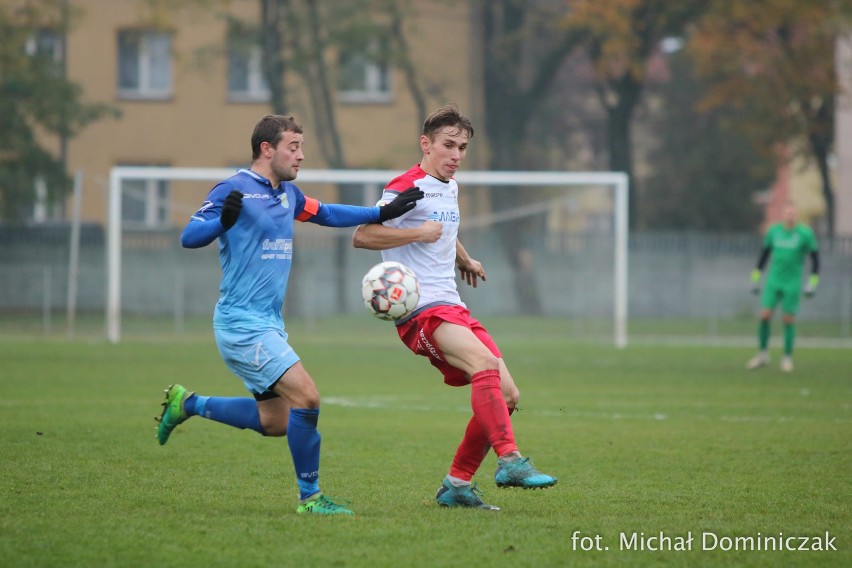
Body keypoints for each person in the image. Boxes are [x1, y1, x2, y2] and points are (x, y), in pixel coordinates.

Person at [155, 114, 423, 515]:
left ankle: (188, 404)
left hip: (268, 326)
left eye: (301, 147)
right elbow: (188, 237)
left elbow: (328, 214)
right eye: (293, 147)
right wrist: (221, 223)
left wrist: (379, 214)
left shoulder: (288, 196)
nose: (301, 155)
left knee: (276, 420)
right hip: (241, 325)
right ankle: (310, 499)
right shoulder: (234, 189)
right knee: (308, 396)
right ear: (267, 149)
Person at [351, 103, 557, 511]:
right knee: (484, 364)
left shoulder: (450, 186)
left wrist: (463, 257)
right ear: (425, 144)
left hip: (451, 304)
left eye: (463, 147)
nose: (456, 156)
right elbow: (363, 235)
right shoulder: (405, 187)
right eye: (449, 145)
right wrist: (418, 232)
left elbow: (442, 227)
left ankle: (457, 484)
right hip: (420, 311)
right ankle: (510, 460)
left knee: (509, 394)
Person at [747, 201, 820, 373]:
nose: (790, 216)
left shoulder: (805, 234)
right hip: (773, 281)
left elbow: (816, 259)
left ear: (797, 215)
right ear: (782, 215)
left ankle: (787, 358)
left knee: (788, 319)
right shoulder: (774, 232)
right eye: (787, 213)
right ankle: (763, 354)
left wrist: (813, 282)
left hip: (792, 282)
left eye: (793, 213)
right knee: (764, 316)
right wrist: (755, 277)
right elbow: (763, 256)